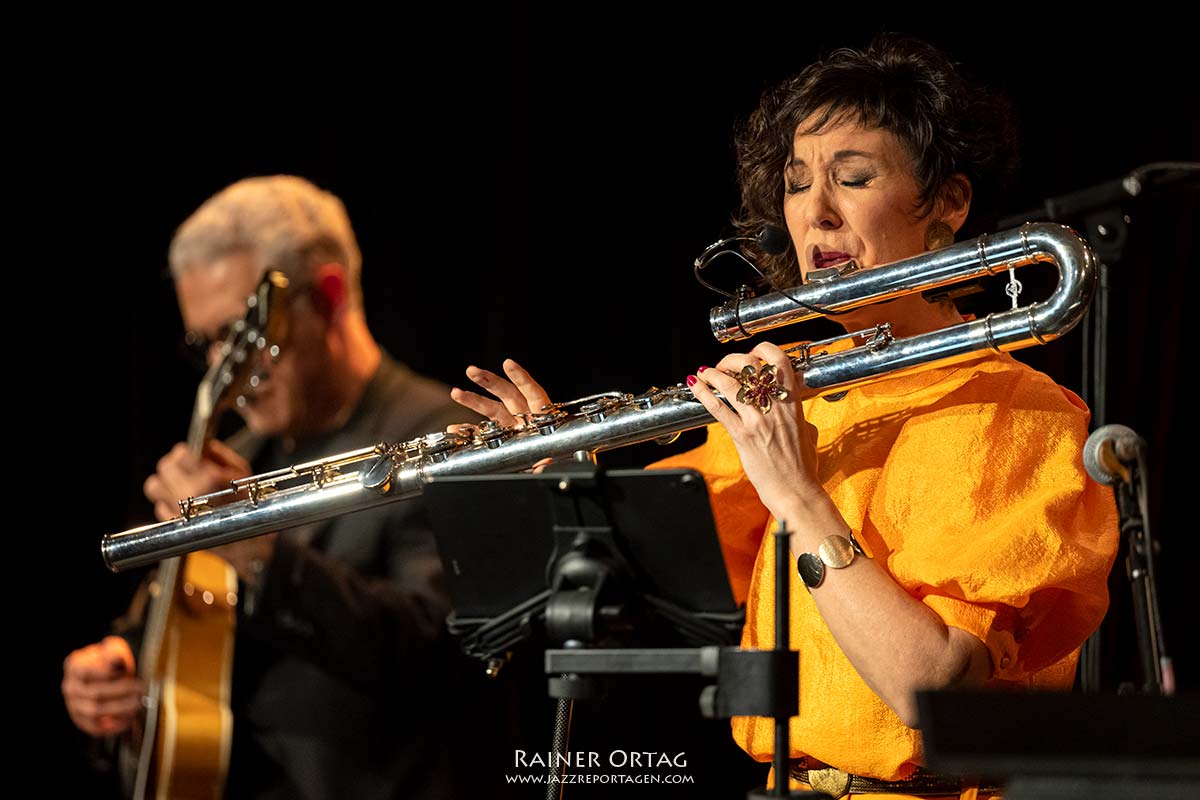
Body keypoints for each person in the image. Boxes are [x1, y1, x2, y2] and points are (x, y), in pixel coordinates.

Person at [450, 37, 1119, 798]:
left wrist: (797, 493)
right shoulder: (802, 393)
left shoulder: (1016, 412)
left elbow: (932, 690)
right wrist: (565, 473)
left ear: (949, 203)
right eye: (798, 184)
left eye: (854, 178)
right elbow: (645, 580)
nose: (815, 213)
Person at [61, 175, 478, 799]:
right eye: (206, 344)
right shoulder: (241, 456)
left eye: (241, 335)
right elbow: (177, 628)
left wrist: (253, 548)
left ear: (329, 297)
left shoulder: (445, 437)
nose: (221, 370)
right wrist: (113, 668)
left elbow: (443, 648)